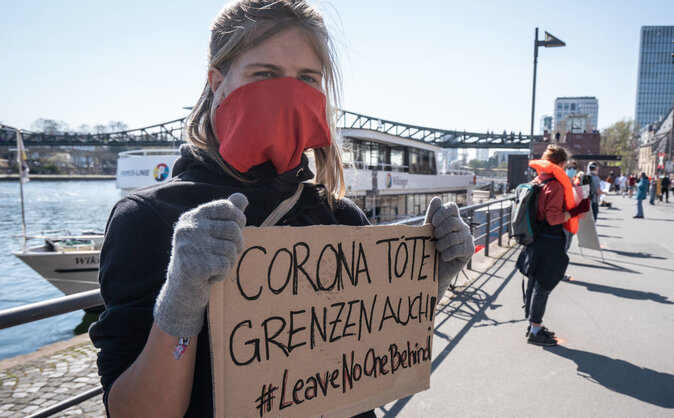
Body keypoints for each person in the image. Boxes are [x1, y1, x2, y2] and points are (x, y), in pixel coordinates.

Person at [88, 2, 474, 416]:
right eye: (265, 74)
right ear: (217, 82)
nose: (288, 92)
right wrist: (181, 299)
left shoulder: (343, 217)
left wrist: (427, 281)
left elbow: (368, 353)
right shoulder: (146, 218)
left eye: (308, 78)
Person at [516, 145, 590, 346]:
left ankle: (533, 325)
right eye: (566, 165)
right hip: (549, 241)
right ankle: (536, 329)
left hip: (534, 240)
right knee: (543, 286)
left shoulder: (537, 180)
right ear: (560, 164)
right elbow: (554, 218)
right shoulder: (555, 185)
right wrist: (577, 211)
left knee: (533, 283)